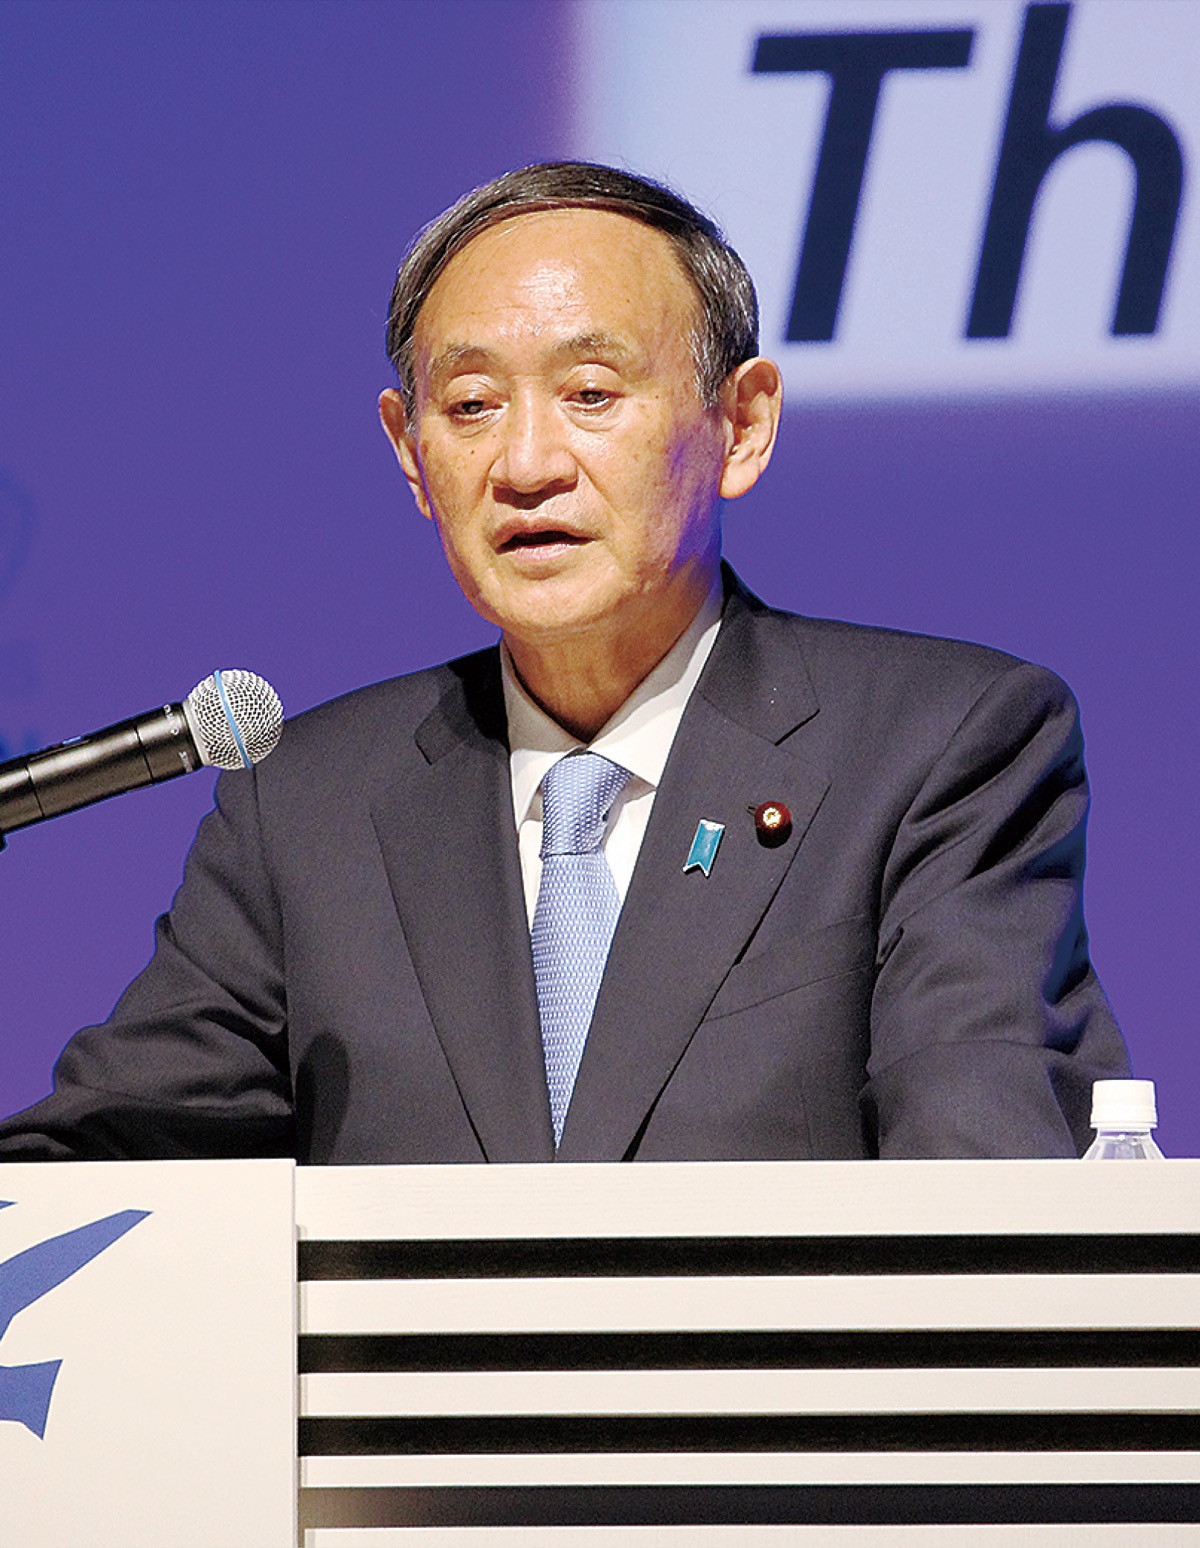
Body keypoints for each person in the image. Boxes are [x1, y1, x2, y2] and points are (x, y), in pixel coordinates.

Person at [0, 162, 1128, 1164]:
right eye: (471, 406)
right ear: (410, 453)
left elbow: (977, 1181)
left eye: (591, 394)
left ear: (741, 425)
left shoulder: (939, 746)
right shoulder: (304, 807)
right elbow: (96, 1172)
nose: (526, 463)